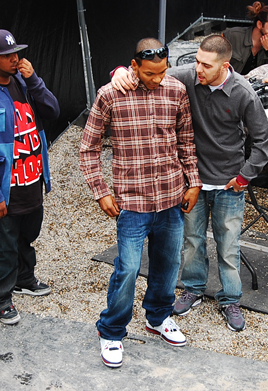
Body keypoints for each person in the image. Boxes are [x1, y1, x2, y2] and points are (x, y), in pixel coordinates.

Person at [111, 35, 268, 332]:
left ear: (225, 66)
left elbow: (264, 138)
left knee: (228, 245)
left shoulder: (243, 92)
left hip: (228, 184)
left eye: (206, 65)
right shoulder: (186, 76)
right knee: (193, 241)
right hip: (192, 182)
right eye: (197, 61)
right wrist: (119, 71)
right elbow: (147, 70)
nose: (198, 68)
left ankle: (231, 299)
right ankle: (193, 288)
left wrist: (245, 176)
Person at [79, 38, 201, 368]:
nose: (157, 79)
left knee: (168, 264)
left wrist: (194, 182)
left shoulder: (176, 90)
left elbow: (186, 142)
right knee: (129, 268)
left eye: (162, 72)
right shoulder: (110, 95)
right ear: (134, 66)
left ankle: (158, 317)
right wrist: (100, 190)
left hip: (171, 196)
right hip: (132, 201)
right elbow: (88, 148)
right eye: (150, 73)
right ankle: (111, 330)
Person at [0, 29, 60, 325]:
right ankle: (0, 299)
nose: (14, 59)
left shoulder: (24, 82)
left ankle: (24, 279)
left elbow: (52, 111)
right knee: (3, 245)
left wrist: (35, 80)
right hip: (4, 190)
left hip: (32, 181)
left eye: (16, 53)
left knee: (27, 236)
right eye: (6, 55)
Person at [223, 1, 268, 75]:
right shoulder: (233, 36)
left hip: (263, 81)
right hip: (234, 80)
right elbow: (216, 61)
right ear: (259, 24)